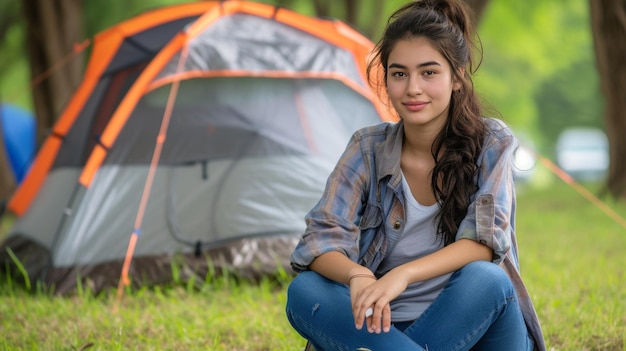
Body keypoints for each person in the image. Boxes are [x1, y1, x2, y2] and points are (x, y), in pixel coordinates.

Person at [285, 0, 546, 350]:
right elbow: (320, 241)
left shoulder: (491, 143)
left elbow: (485, 242)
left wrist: (401, 275)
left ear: (457, 77)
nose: (413, 89)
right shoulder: (367, 149)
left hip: (475, 323)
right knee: (305, 290)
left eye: (429, 72)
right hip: (381, 326)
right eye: (399, 74)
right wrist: (358, 275)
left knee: (487, 279)